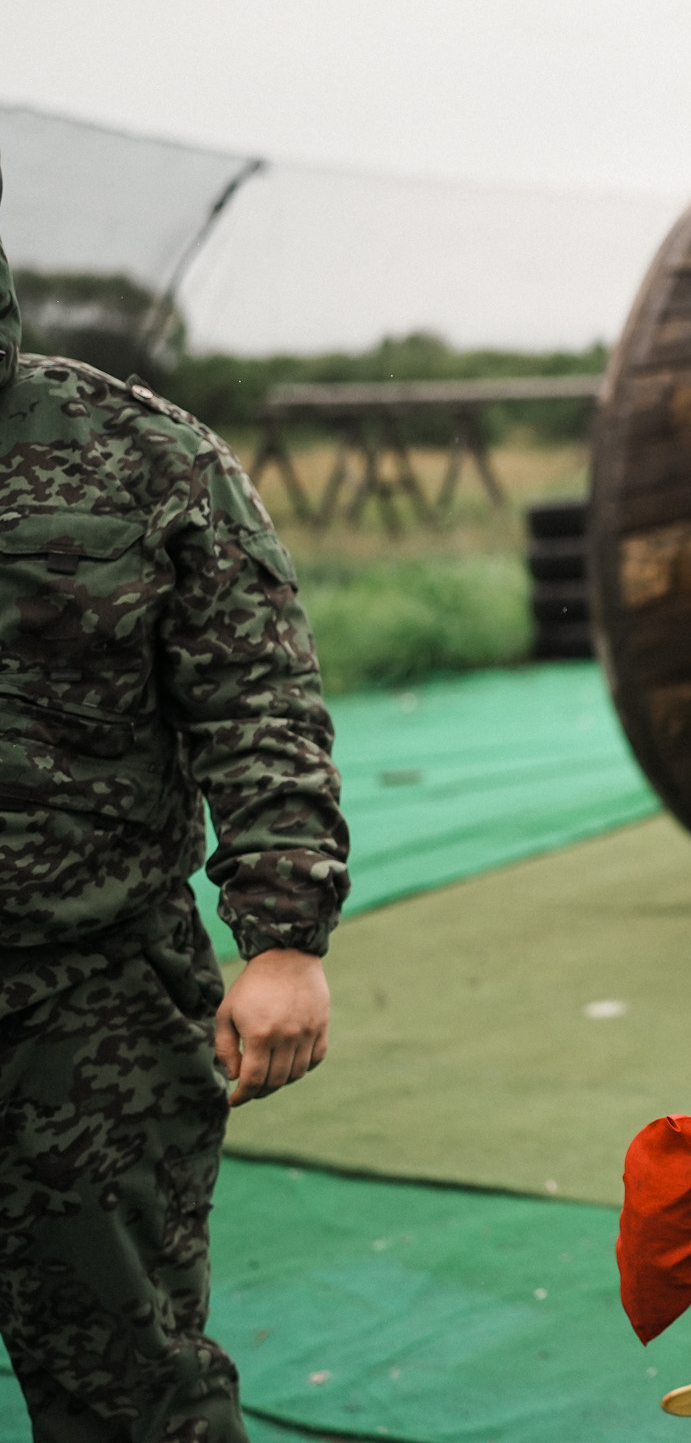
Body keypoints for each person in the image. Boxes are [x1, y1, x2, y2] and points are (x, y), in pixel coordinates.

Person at [0, 227, 349, 1443]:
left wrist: (284, 937)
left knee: (124, 1386)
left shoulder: (135, 453)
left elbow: (259, 699)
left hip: (84, 1012)